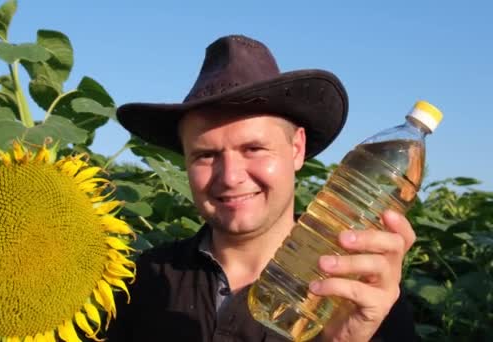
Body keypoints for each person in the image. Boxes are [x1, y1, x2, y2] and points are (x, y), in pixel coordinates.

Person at [107, 34, 419, 342]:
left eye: (254, 148)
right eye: (206, 155)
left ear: (296, 148)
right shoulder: (144, 279)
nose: (230, 177)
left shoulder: (360, 298)